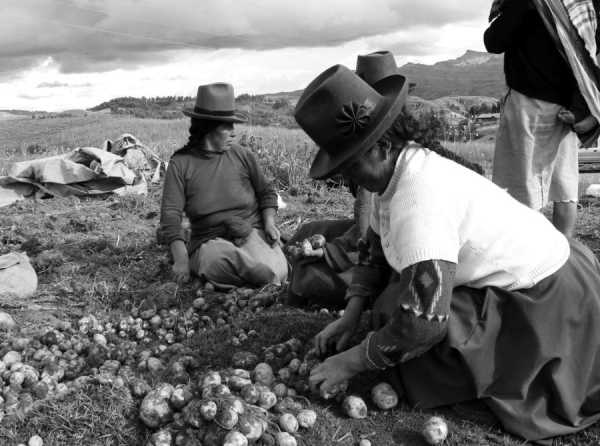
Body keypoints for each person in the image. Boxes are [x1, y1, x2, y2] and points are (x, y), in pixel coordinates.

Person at [294, 64, 600, 442]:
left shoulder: (418, 195)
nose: (350, 178)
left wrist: (350, 361)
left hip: (552, 300)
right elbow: (373, 249)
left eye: (352, 163)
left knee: (404, 327)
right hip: (554, 271)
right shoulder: (399, 169)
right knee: (388, 305)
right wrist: (349, 317)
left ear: (383, 146)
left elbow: (424, 323)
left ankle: (504, 378)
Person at [159, 82, 288, 289]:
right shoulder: (181, 163)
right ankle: (253, 275)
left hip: (249, 232)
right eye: (227, 126)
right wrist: (181, 259)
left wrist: (270, 223)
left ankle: (250, 276)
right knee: (214, 260)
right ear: (208, 128)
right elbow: (170, 215)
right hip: (210, 242)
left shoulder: (242, 155)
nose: (233, 132)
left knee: (279, 271)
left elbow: (266, 193)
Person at [485, 0, 581, 237]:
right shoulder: (575, 4)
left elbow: (494, 41)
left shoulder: (528, 2)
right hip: (567, 108)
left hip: (529, 106)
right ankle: (564, 254)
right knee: (564, 186)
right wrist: (579, 107)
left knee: (522, 188)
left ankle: (534, 259)